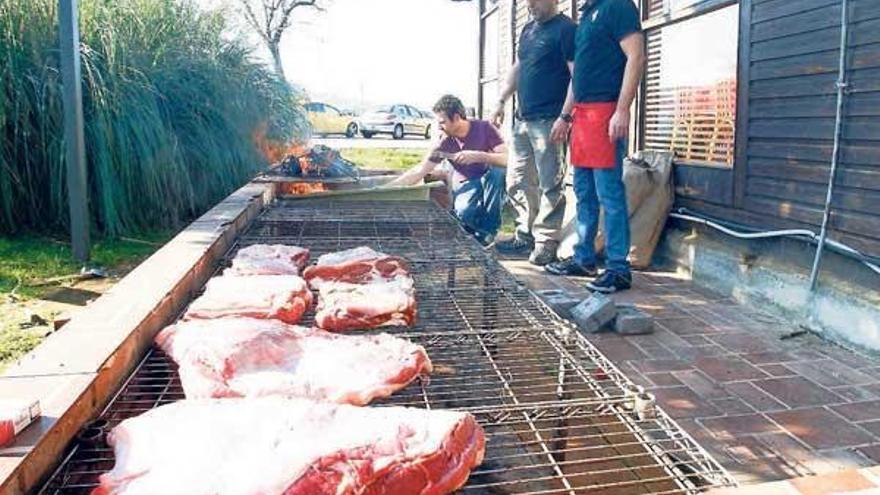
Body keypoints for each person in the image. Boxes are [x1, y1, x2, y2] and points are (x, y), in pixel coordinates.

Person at [544, 0, 645, 293]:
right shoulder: (586, 15)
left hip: (606, 111)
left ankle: (618, 268)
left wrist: (623, 109)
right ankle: (584, 258)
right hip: (582, 115)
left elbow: (636, 57)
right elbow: (579, 75)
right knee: (584, 191)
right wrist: (565, 115)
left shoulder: (617, 6)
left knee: (609, 193)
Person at [491, 0, 576, 267]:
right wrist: (501, 100)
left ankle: (546, 242)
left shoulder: (566, 30)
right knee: (516, 181)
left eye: (535, 1)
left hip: (550, 120)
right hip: (523, 120)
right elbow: (518, 68)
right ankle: (524, 235)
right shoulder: (528, 30)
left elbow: (577, 76)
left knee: (550, 183)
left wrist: (565, 116)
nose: (530, 6)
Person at [388, 95, 507, 245]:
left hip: (490, 179)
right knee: (465, 213)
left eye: (442, 122)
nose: (439, 127)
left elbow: (507, 159)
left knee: (498, 172)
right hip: (467, 182)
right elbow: (419, 171)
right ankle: (470, 225)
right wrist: (387, 187)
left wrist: (479, 156)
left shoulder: (485, 128)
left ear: (456, 117)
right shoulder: (444, 142)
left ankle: (487, 233)